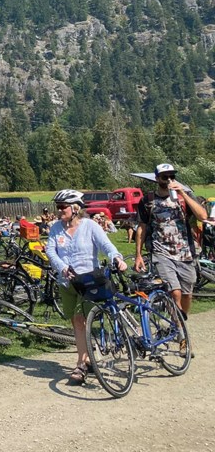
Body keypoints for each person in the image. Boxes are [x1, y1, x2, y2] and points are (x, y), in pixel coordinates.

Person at [45, 189, 127, 384]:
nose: (59, 211)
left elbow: (106, 245)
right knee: (75, 320)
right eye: (58, 207)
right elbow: (50, 250)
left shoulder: (90, 226)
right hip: (67, 282)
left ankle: (81, 363)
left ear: (75, 208)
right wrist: (62, 267)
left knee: (82, 318)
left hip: (88, 281)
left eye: (62, 207)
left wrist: (117, 258)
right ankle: (88, 358)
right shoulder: (57, 228)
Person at [134, 163, 207, 356]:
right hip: (161, 253)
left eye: (171, 176)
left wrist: (183, 194)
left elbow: (203, 215)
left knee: (186, 295)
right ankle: (182, 335)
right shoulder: (148, 200)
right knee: (174, 293)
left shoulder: (184, 197)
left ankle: (178, 323)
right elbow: (141, 227)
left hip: (186, 254)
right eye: (164, 176)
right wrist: (139, 255)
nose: (168, 179)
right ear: (157, 178)